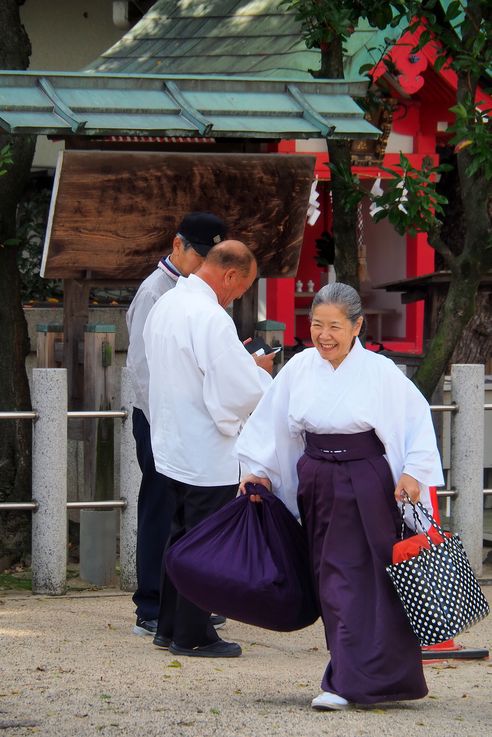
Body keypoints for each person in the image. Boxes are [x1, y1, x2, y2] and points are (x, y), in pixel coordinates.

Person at [236, 282, 444, 710]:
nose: (324, 335)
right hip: (315, 479)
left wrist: (413, 472)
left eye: (334, 326)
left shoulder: (380, 371)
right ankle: (367, 676)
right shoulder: (298, 369)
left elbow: (416, 417)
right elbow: (273, 422)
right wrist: (260, 471)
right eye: (316, 325)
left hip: (365, 480)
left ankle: (345, 681)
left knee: (353, 577)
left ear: (356, 327)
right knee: (329, 575)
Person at [143, 240, 274, 658]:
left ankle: (167, 626)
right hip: (204, 447)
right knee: (205, 542)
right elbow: (233, 388)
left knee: (178, 535)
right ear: (231, 275)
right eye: (242, 287)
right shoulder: (209, 317)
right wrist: (260, 375)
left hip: (171, 439)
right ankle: (193, 633)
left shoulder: (167, 304)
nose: (238, 295)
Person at [126, 211, 228, 636]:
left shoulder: (189, 291)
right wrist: (166, 420)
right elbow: (141, 367)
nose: (204, 263)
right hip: (158, 416)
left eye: (212, 256)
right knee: (160, 507)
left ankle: (180, 601)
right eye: (200, 254)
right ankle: (150, 604)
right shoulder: (155, 291)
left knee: (182, 510)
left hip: (175, 416)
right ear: (177, 245)